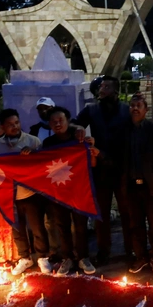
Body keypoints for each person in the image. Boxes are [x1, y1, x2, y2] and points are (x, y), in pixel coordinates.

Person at [74, 75, 132, 264]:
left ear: (116, 91)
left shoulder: (126, 110)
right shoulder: (91, 110)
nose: (101, 89)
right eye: (100, 86)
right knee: (102, 214)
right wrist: (78, 129)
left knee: (127, 212)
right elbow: (74, 123)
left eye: (106, 86)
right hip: (101, 170)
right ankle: (103, 251)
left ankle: (131, 249)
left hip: (123, 168)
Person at [0, 109, 50, 276]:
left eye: (16, 123)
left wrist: (31, 157)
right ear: (2, 127)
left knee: (37, 227)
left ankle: (42, 257)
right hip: (9, 194)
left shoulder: (33, 141)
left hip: (31, 193)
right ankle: (25, 257)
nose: (14, 127)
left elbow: (43, 166)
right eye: (10, 125)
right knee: (17, 228)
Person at [42, 107, 97, 276]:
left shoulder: (79, 140)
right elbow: (44, 168)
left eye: (61, 120)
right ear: (50, 124)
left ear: (68, 121)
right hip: (58, 192)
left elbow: (92, 164)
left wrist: (91, 147)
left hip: (78, 190)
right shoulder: (48, 144)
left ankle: (83, 257)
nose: (58, 124)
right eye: (54, 121)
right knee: (62, 226)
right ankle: (67, 258)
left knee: (80, 226)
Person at [122, 94, 153, 274]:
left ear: (146, 109)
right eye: (132, 105)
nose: (135, 108)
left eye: (139, 105)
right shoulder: (124, 130)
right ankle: (140, 256)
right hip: (132, 186)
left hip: (151, 187)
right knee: (135, 224)